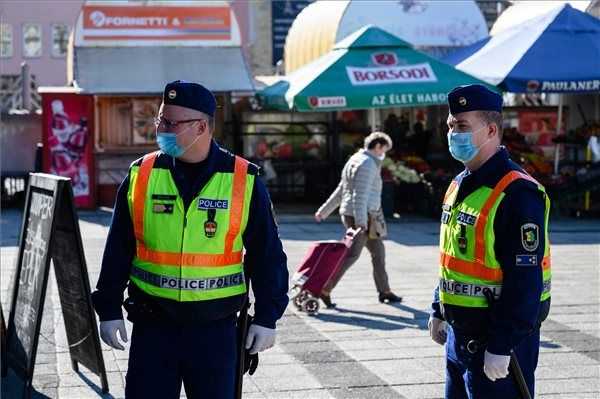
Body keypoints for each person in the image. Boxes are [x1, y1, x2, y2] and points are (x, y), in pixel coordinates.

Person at [91, 81, 289, 399]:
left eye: (171, 123)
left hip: (217, 332)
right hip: (152, 327)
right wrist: (109, 307)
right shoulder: (142, 174)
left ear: (201, 127)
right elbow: (119, 247)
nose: (161, 129)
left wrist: (268, 316)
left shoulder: (243, 179)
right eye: (160, 120)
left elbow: (267, 255)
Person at [428, 84, 551, 399]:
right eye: (451, 126)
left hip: (498, 339)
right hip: (459, 335)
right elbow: (453, 256)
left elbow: (525, 278)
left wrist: (502, 344)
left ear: (492, 130)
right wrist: (439, 308)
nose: (453, 133)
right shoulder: (459, 184)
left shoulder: (517, 191)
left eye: (462, 126)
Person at [314, 132, 402, 308]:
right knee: (351, 255)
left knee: (378, 252)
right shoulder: (367, 164)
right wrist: (361, 222)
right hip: (362, 216)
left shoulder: (355, 159)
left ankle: (384, 291)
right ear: (378, 146)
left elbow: (342, 190)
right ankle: (324, 289)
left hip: (362, 215)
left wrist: (323, 211)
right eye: (384, 149)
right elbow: (359, 195)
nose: (384, 153)